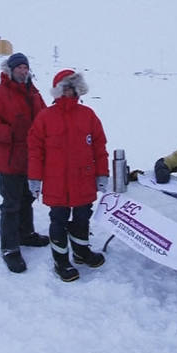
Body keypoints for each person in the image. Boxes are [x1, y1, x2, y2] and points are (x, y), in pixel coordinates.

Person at [28, 69, 109, 282]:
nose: (69, 91)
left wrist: (102, 174)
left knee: (82, 218)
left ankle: (81, 252)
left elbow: (99, 147)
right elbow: (35, 151)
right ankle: (61, 260)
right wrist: (34, 179)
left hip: (84, 180)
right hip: (56, 182)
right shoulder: (45, 117)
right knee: (58, 220)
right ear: (57, 90)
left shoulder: (88, 115)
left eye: (72, 87)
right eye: (64, 88)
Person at [0, 52, 49, 273]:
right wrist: (9, 132)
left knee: (27, 198)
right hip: (9, 157)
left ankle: (26, 233)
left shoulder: (34, 93)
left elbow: (44, 117)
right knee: (11, 203)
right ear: (10, 70)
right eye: (19, 67)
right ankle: (9, 247)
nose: (23, 71)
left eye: (25, 67)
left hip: (31, 157)